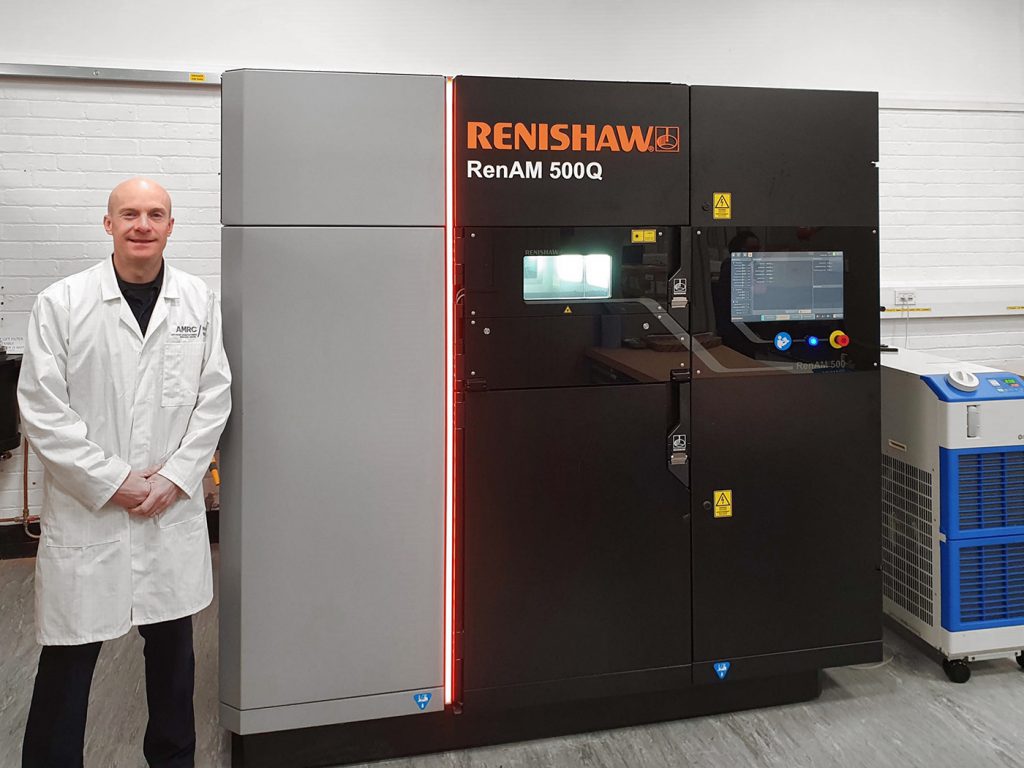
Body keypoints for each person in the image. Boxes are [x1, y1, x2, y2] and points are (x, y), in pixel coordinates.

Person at [17, 177, 232, 768]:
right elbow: (42, 409)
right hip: (92, 514)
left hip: (169, 510)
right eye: (129, 214)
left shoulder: (197, 300)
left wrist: (174, 477)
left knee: (172, 662)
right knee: (68, 658)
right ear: (108, 224)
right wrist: (115, 480)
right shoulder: (63, 303)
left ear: (170, 226)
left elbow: (214, 398)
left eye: (155, 214)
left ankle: (172, 760)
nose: (143, 224)